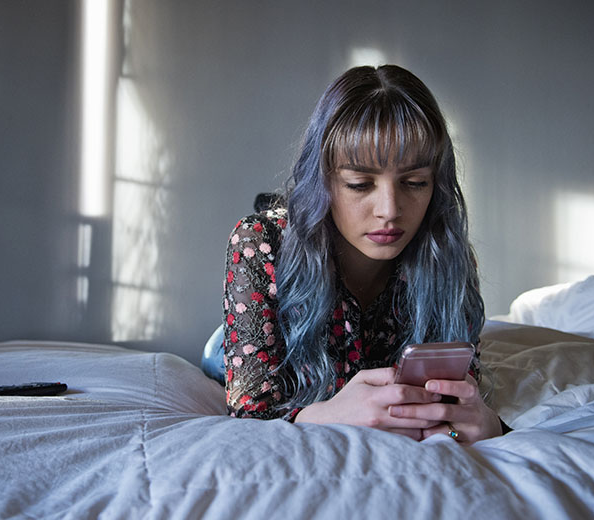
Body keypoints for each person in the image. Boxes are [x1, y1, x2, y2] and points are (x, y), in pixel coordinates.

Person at [218, 64, 508, 443]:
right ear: (323, 180)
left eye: (414, 182)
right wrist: (325, 415)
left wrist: (488, 424)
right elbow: (249, 411)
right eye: (359, 184)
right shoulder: (259, 243)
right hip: (260, 310)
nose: (390, 210)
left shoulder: (449, 258)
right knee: (216, 355)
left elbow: (460, 397)